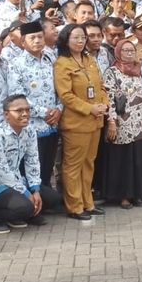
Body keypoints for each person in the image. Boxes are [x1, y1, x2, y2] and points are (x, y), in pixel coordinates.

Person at [0, 95, 62, 234]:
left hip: (17, 181)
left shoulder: (29, 131)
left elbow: (32, 161)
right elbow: (3, 173)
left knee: (53, 199)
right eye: (19, 110)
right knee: (26, 206)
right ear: (6, 114)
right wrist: (27, 194)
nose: (25, 114)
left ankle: (21, 214)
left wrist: (35, 190)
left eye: (27, 110)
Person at [54, 24, 109, 220]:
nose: (80, 41)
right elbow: (66, 95)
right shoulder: (62, 63)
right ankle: (75, 206)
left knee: (89, 164)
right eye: (76, 37)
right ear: (66, 40)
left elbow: (101, 86)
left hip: (95, 121)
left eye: (82, 37)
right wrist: (89, 108)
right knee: (73, 166)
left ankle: (88, 202)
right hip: (76, 123)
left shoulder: (90, 60)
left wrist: (104, 104)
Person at [103, 39, 142, 208]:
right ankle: (124, 196)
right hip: (121, 124)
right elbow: (109, 98)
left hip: (139, 123)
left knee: (139, 161)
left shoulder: (139, 71)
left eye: (131, 50)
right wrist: (111, 122)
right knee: (123, 161)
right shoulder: (111, 72)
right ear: (118, 52)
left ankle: (138, 195)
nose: (129, 53)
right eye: (125, 50)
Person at [6, 21, 63, 187]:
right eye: (32, 38)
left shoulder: (50, 58)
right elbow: (17, 96)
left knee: (47, 167)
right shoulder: (16, 64)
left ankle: (44, 202)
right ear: (23, 42)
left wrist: (59, 109)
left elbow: (61, 87)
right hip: (31, 126)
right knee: (30, 168)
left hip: (52, 124)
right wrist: (45, 112)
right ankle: (31, 206)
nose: (37, 41)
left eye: (40, 37)